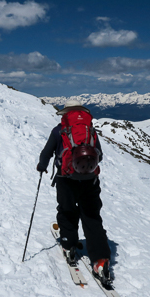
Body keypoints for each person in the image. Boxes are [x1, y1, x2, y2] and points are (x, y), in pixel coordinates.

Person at [37, 99, 112, 283]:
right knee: (92, 217)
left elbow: (46, 152)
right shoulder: (90, 130)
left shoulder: (59, 130)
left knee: (67, 211)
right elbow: (99, 155)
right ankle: (100, 261)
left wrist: (42, 166)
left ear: (66, 113)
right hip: (90, 181)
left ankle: (69, 246)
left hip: (66, 179)